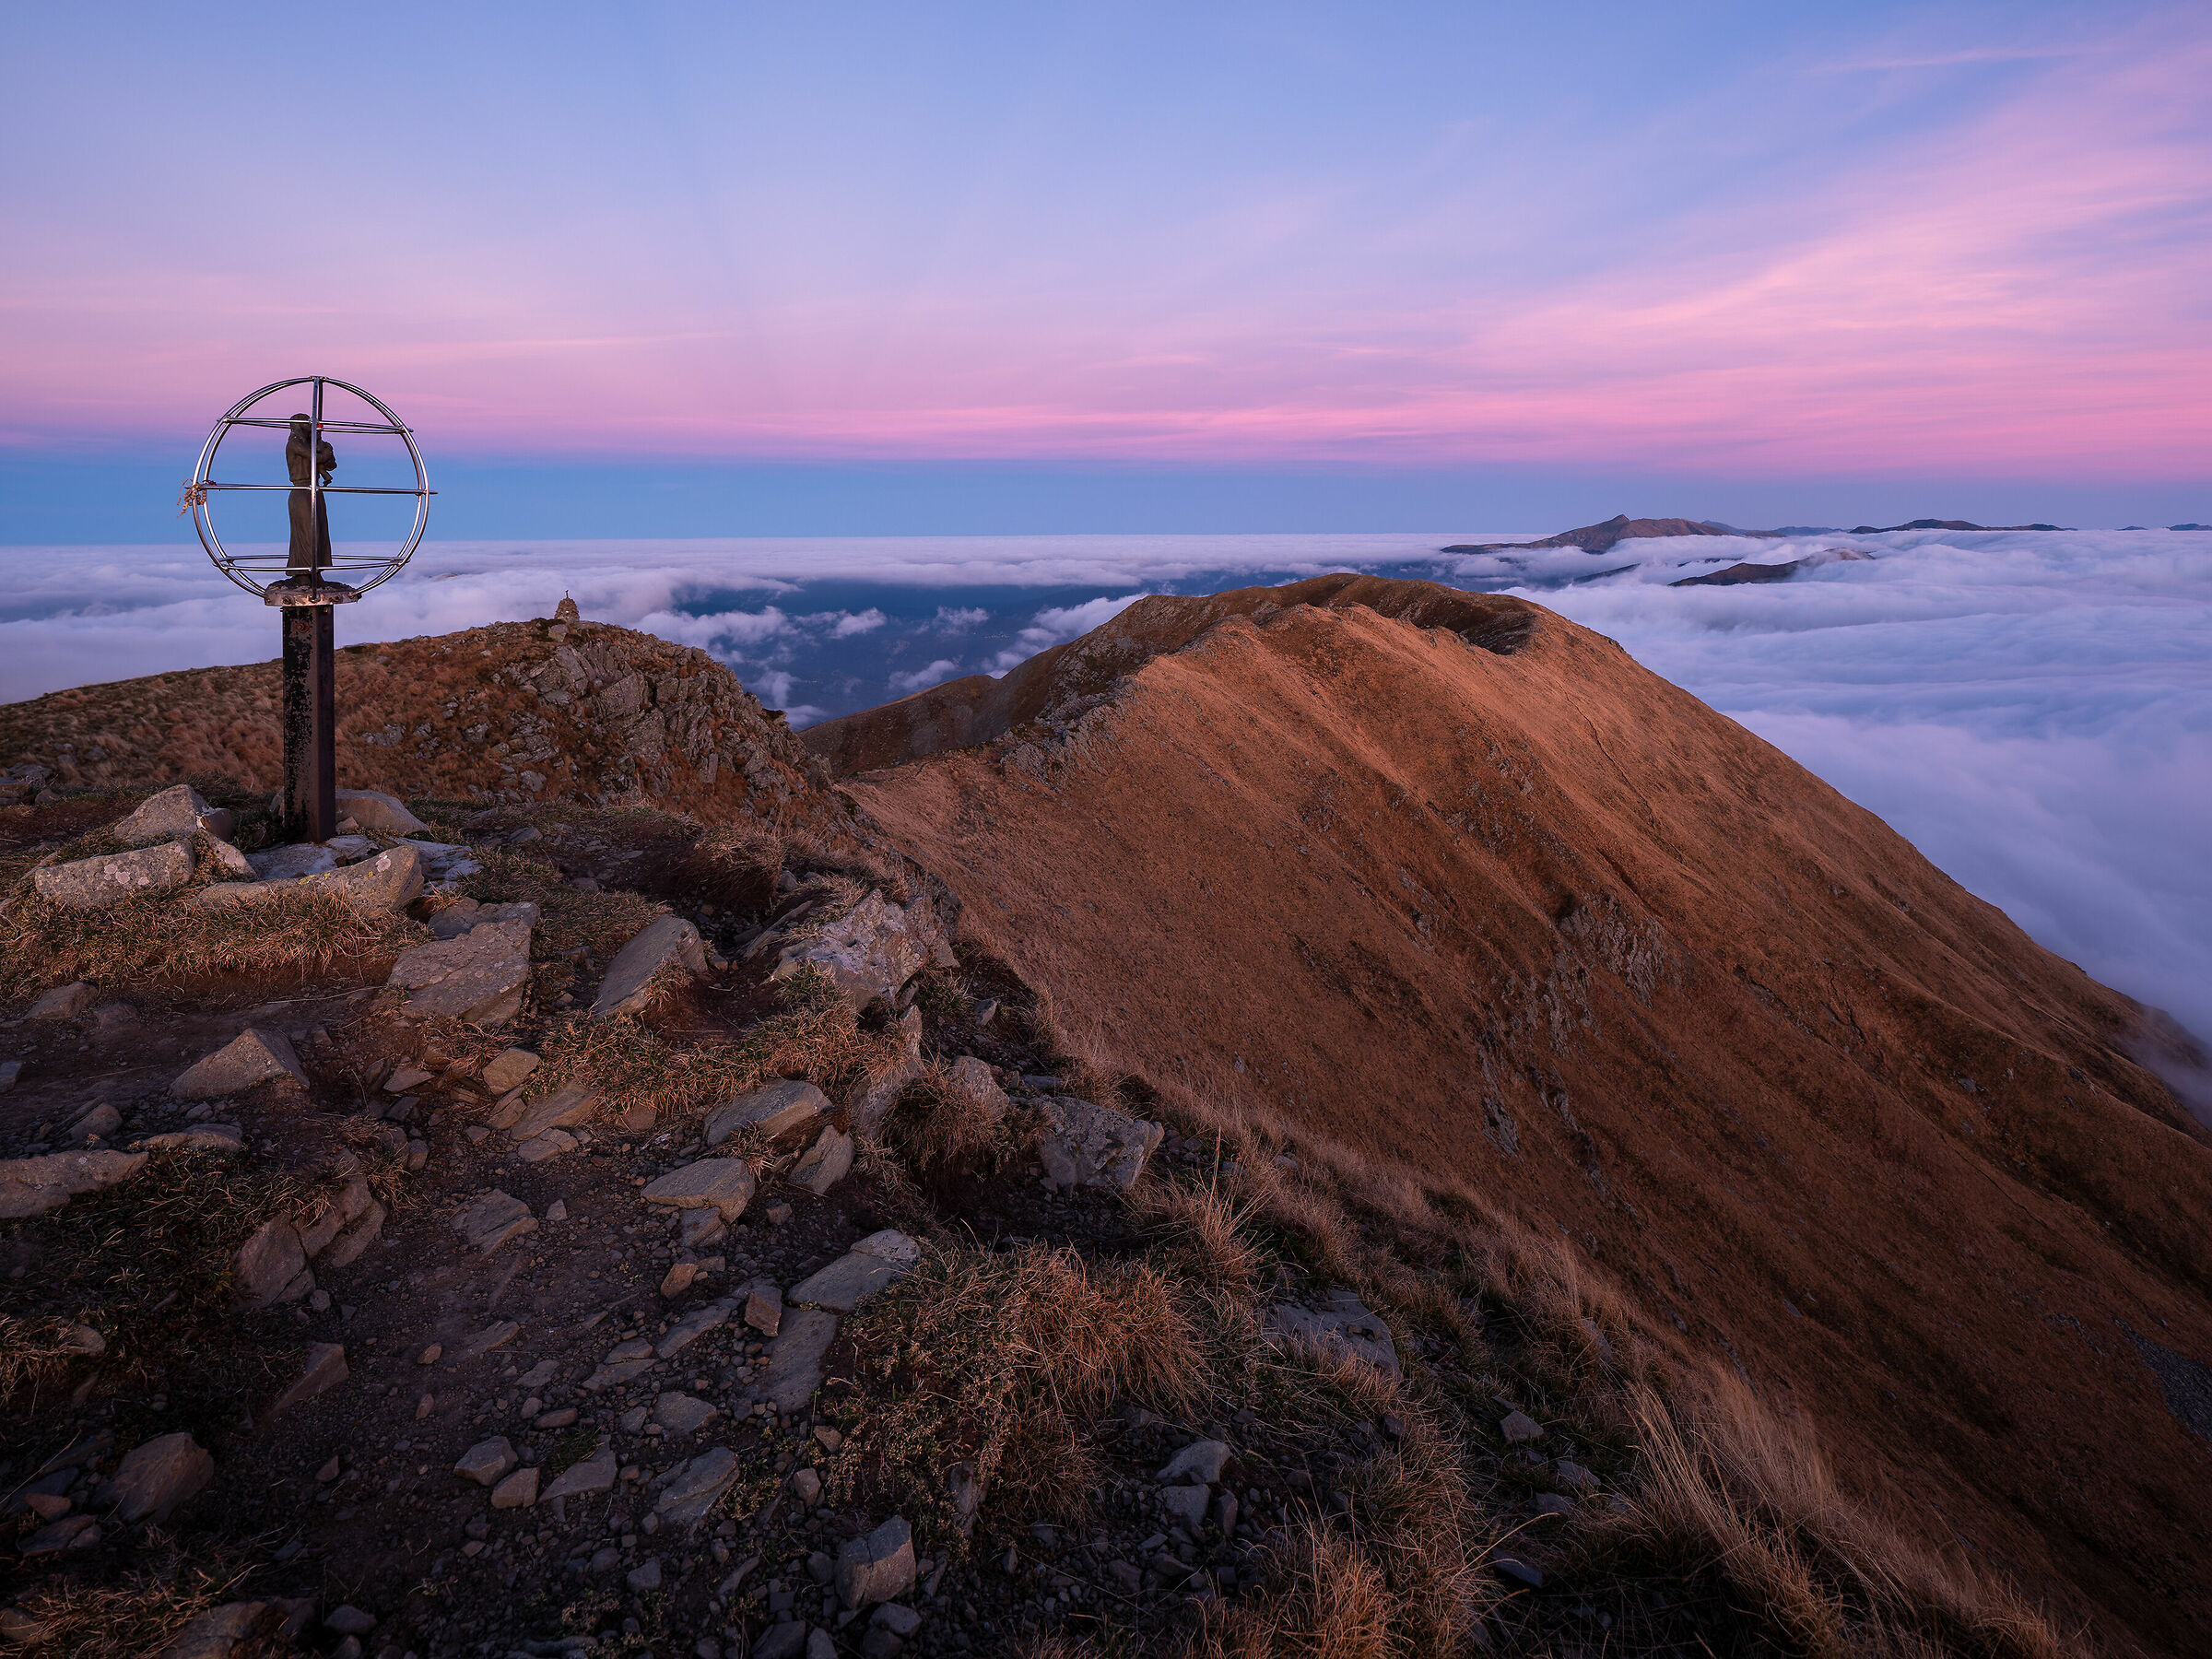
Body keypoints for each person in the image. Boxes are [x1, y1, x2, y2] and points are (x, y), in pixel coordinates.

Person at [286, 414, 336, 573]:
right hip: (302, 492)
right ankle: (302, 573)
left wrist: (325, 449)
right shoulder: (295, 444)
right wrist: (326, 452)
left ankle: (316, 573)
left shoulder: (312, 443)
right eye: (307, 423)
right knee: (307, 534)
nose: (311, 425)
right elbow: (316, 457)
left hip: (315, 490)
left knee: (319, 532)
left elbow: (331, 465)